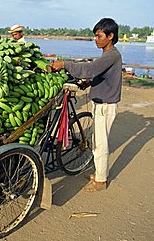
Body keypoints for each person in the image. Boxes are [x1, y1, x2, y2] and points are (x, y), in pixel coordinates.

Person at [49, 18, 122, 192]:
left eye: (99, 36)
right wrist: (88, 84)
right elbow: (100, 74)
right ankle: (99, 173)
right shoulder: (108, 55)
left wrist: (64, 64)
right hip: (100, 103)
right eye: (95, 36)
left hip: (105, 105)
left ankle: (101, 181)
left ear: (110, 36)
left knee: (101, 144)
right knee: (97, 141)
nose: (96, 39)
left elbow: (91, 69)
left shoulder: (112, 55)